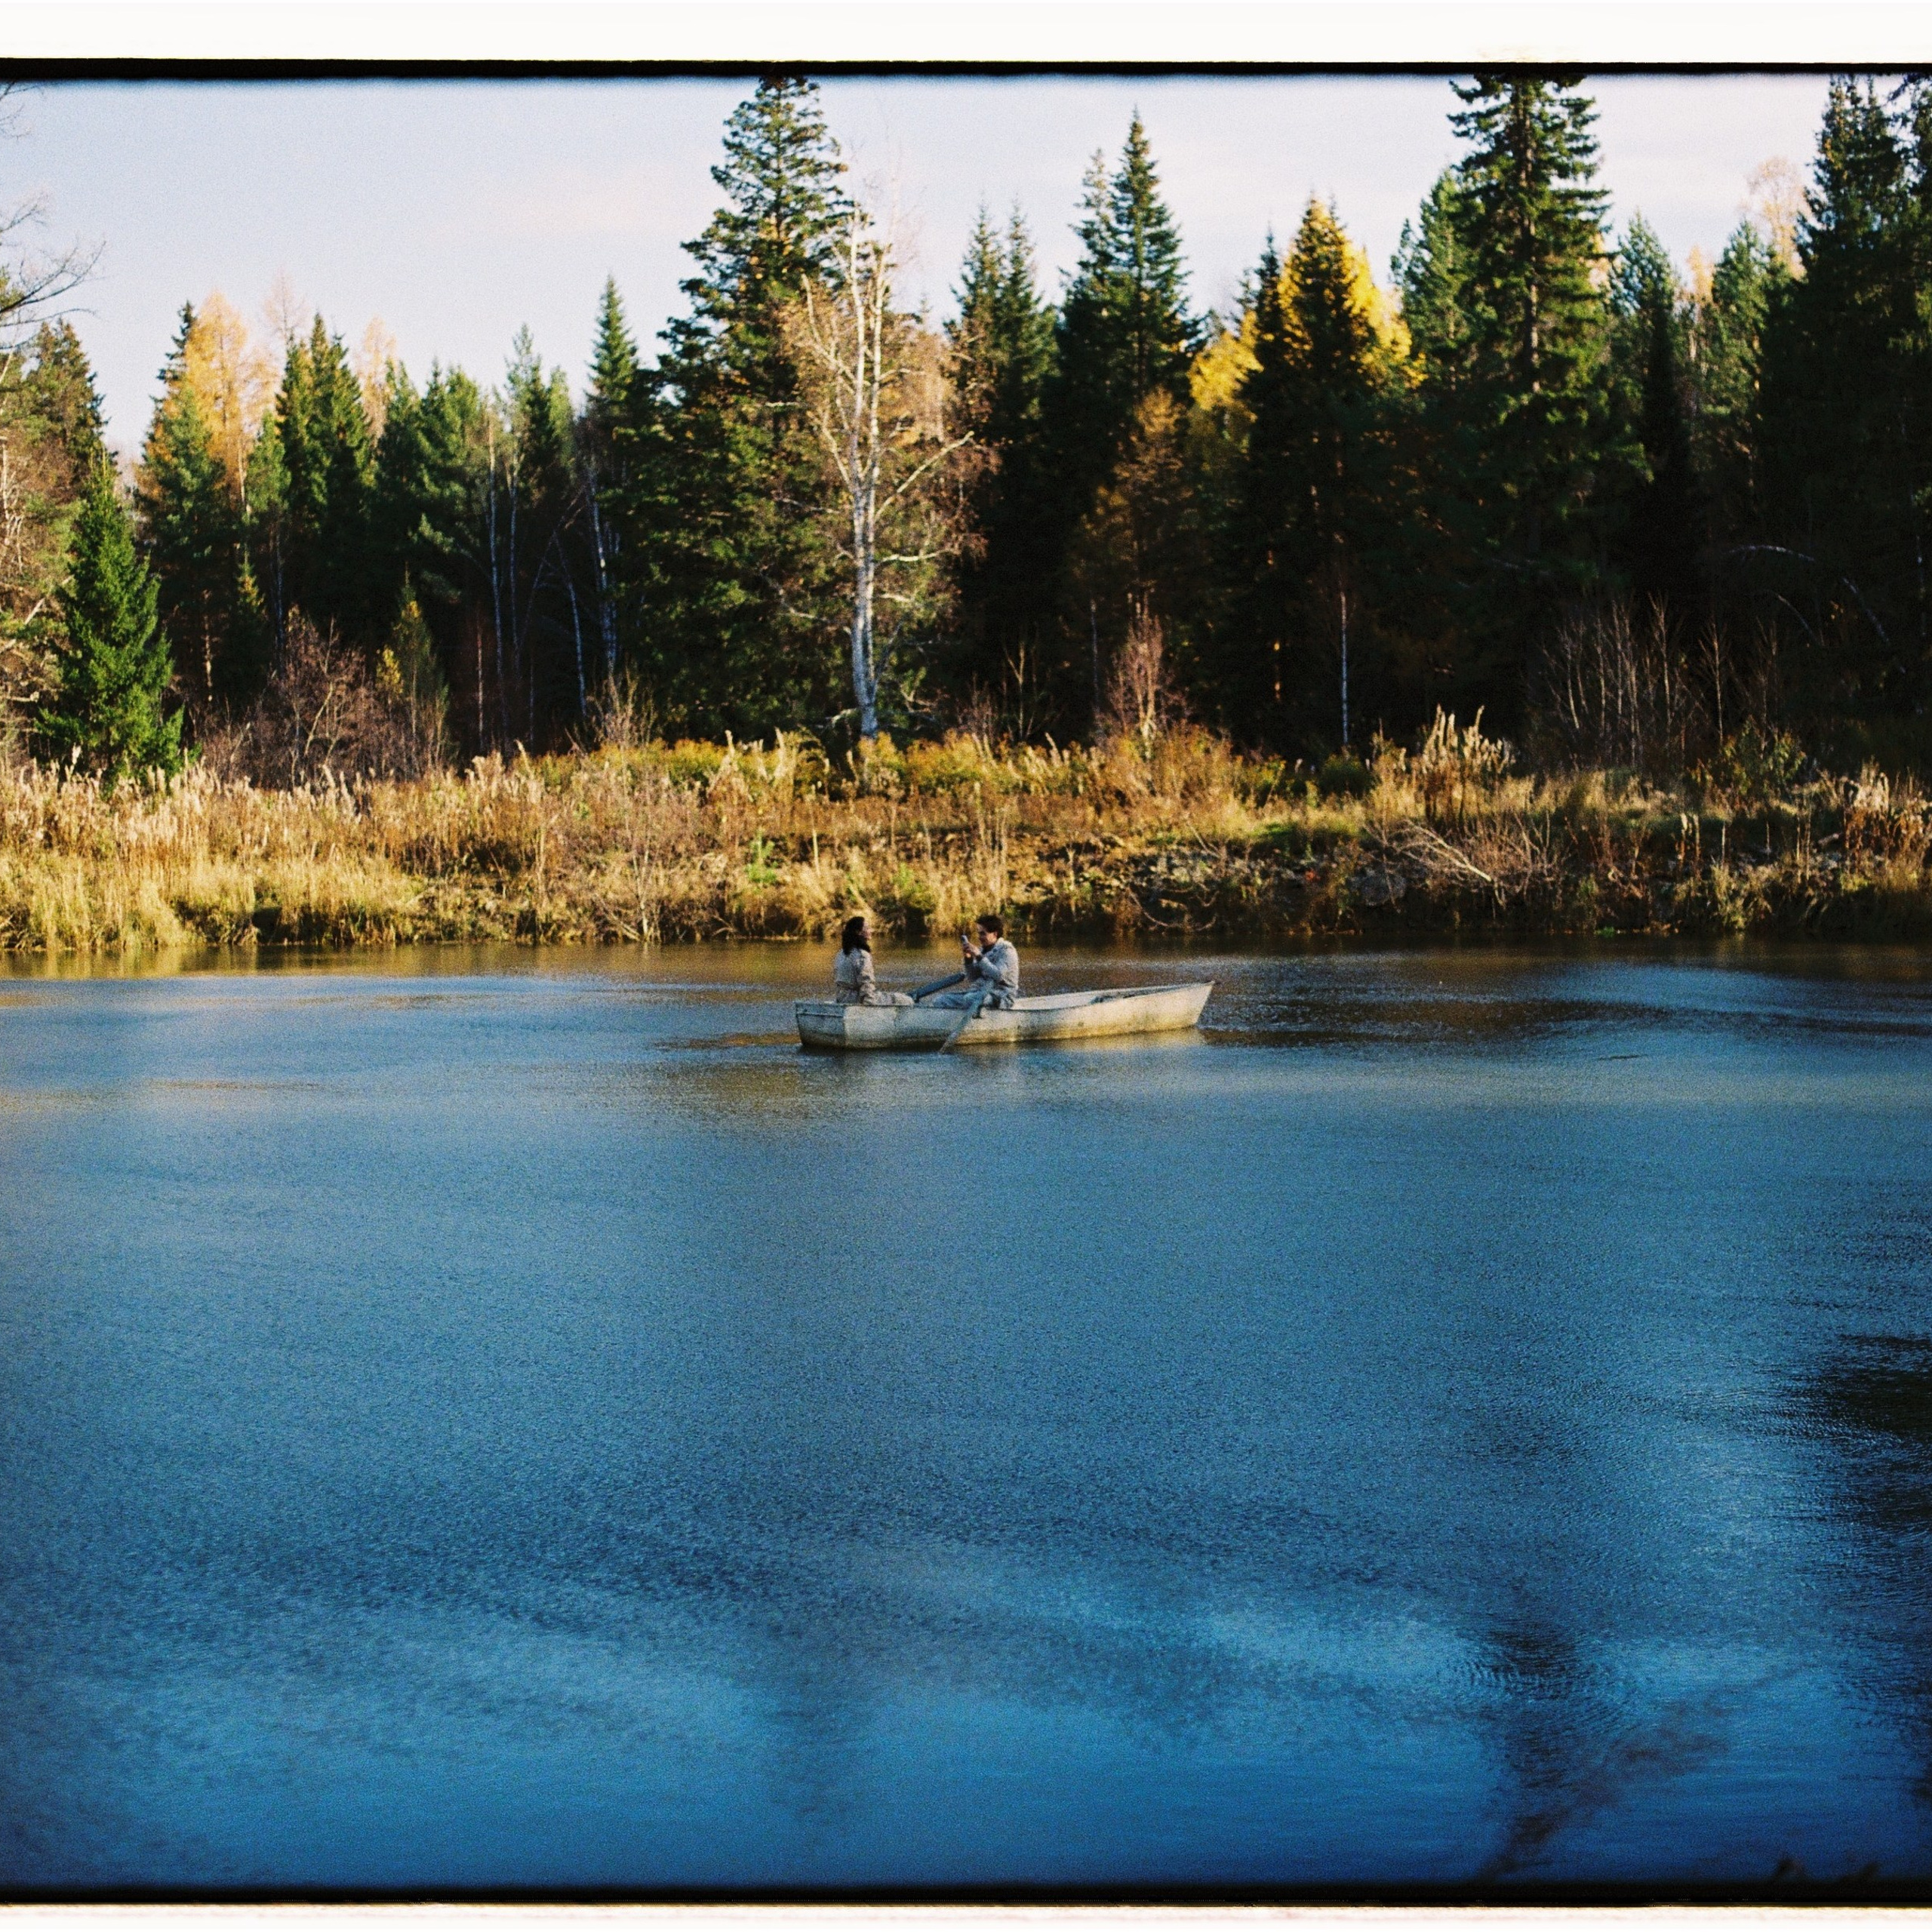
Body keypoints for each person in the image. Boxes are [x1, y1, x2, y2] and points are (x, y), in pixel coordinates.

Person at [928, 913, 1020, 1010]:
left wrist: (979, 957)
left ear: (995, 934)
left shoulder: (1007, 951)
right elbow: (973, 978)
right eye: (978, 933)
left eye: (983, 933)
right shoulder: (983, 950)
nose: (979, 937)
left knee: (969, 999)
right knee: (941, 1000)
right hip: (979, 993)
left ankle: (980, 1018)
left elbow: (998, 975)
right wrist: (968, 959)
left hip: (1002, 997)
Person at [832, 915, 913, 1006]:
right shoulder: (862, 955)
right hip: (857, 1000)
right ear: (858, 932)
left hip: (842, 999)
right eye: (867, 928)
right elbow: (866, 983)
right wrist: (870, 1005)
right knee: (905, 1000)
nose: (871, 930)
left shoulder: (841, 954)